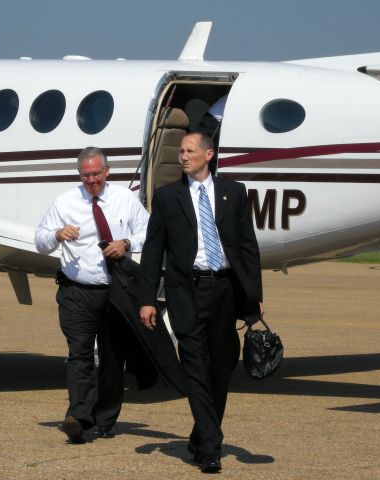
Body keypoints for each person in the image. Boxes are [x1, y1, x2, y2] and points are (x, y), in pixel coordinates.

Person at [138, 131, 263, 473]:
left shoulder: (234, 193)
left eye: (190, 150)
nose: (183, 155)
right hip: (186, 291)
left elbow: (248, 248)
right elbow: (152, 251)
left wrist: (255, 297)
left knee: (221, 366)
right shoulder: (167, 197)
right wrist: (147, 298)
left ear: (209, 154)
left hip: (225, 289)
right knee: (194, 365)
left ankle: (199, 436)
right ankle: (211, 446)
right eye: (180, 151)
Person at [35, 147, 149, 443]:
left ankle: (106, 418)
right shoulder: (65, 202)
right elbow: (40, 241)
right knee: (80, 354)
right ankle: (79, 417)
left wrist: (125, 242)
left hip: (115, 291)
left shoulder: (125, 199)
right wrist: (57, 234)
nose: (91, 180)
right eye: (85, 175)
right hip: (77, 292)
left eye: (96, 174)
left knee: (112, 359)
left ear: (107, 172)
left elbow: (148, 233)